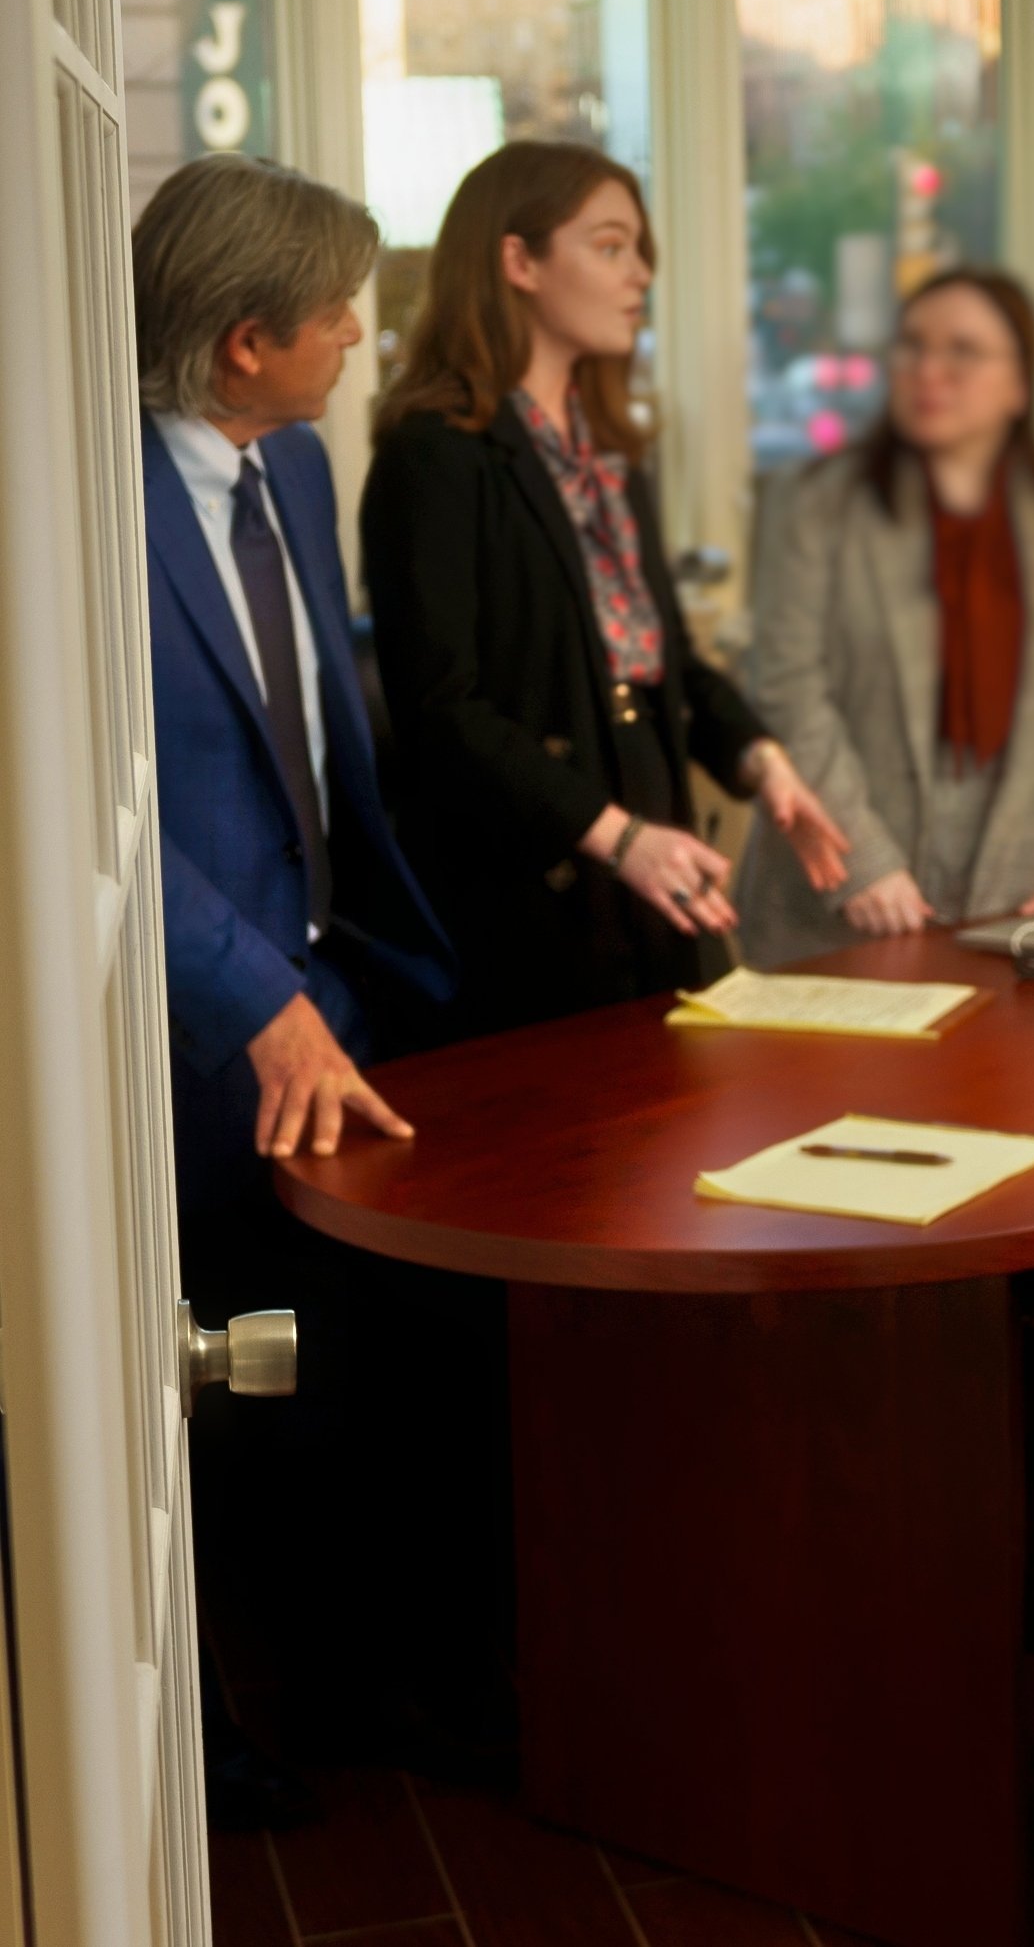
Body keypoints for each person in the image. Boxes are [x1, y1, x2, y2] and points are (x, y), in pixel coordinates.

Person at [137, 154, 467, 1816]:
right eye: (337, 308)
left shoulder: (306, 462)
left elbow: (323, 735)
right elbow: (94, 803)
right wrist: (248, 990)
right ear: (244, 337)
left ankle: (347, 1694)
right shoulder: (88, 502)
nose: (362, 331)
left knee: (342, 1370)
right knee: (190, 1416)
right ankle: (195, 1756)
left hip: (342, 989)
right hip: (192, 1028)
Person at [361, 140, 848, 1035]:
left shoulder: (610, 452)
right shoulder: (432, 455)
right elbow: (443, 713)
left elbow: (666, 665)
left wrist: (764, 763)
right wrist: (616, 837)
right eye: (611, 246)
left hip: (655, 897)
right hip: (528, 921)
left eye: (642, 251)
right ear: (519, 261)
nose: (641, 275)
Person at [734, 264, 1034, 969]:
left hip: (1023, 898)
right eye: (913, 345)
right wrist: (862, 862)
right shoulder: (814, 500)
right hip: (837, 904)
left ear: (1020, 383)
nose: (930, 369)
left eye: (963, 350)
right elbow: (787, 690)